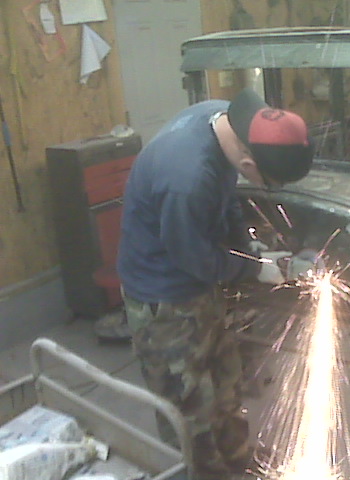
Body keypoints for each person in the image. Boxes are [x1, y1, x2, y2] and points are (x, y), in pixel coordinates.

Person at [116, 88, 315, 480]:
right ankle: (203, 473)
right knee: (187, 403)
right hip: (162, 299)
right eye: (270, 183)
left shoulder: (226, 120)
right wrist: (255, 270)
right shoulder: (187, 178)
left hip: (198, 283)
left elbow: (225, 199)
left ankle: (236, 456)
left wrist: (247, 246)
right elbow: (194, 259)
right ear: (248, 161)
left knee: (225, 378)